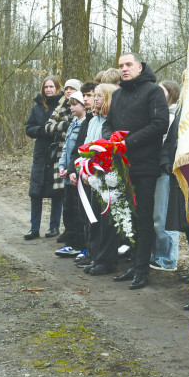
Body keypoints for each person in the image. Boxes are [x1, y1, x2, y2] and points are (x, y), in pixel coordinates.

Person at [103, 53, 169, 290]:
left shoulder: (153, 92)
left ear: (140, 67)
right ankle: (133, 263)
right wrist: (109, 140)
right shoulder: (118, 94)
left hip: (145, 164)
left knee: (143, 217)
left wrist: (128, 142)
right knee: (126, 216)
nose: (124, 69)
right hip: (120, 164)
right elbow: (108, 123)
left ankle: (142, 269)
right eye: (121, 66)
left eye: (129, 65)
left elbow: (160, 124)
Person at [82, 83, 118, 274]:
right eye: (94, 96)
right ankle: (95, 256)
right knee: (93, 216)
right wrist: (84, 168)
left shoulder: (112, 122)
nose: (95, 99)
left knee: (107, 220)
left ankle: (107, 260)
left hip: (108, 176)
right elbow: (87, 145)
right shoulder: (94, 121)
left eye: (100, 96)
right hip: (92, 175)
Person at [24, 76, 64, 239]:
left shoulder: (63, 105)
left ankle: (54, 227)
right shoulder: (37, 107)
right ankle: (34, 228)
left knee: (57, 191)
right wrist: (42, 131)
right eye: (46, 87)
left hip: (57, 150)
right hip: (40, 152)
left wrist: (53, 131)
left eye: (51, 86)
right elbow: (29, 128)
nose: (48, 89)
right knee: (36, 190)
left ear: (57, 88)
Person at [150, 80, 182, 272]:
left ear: (171, 94)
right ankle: (158, 253)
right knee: (156, 216)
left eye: (161, 92)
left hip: (165, 171)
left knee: (163, 216)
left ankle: (168, 258)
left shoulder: (171, 117)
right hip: (156, 169)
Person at [55, 90, 88, 257]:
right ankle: (71, 242)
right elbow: (67, 148)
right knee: (68, 209)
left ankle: (81, 244)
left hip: (78, 174)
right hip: (68, 174)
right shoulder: (73, 123)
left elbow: (79, 151)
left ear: (83, 105)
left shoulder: (85, 125)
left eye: (75, 104)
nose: (72, 107)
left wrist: (72, 168)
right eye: (70, 104)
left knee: (78, 211)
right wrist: (63, 166)